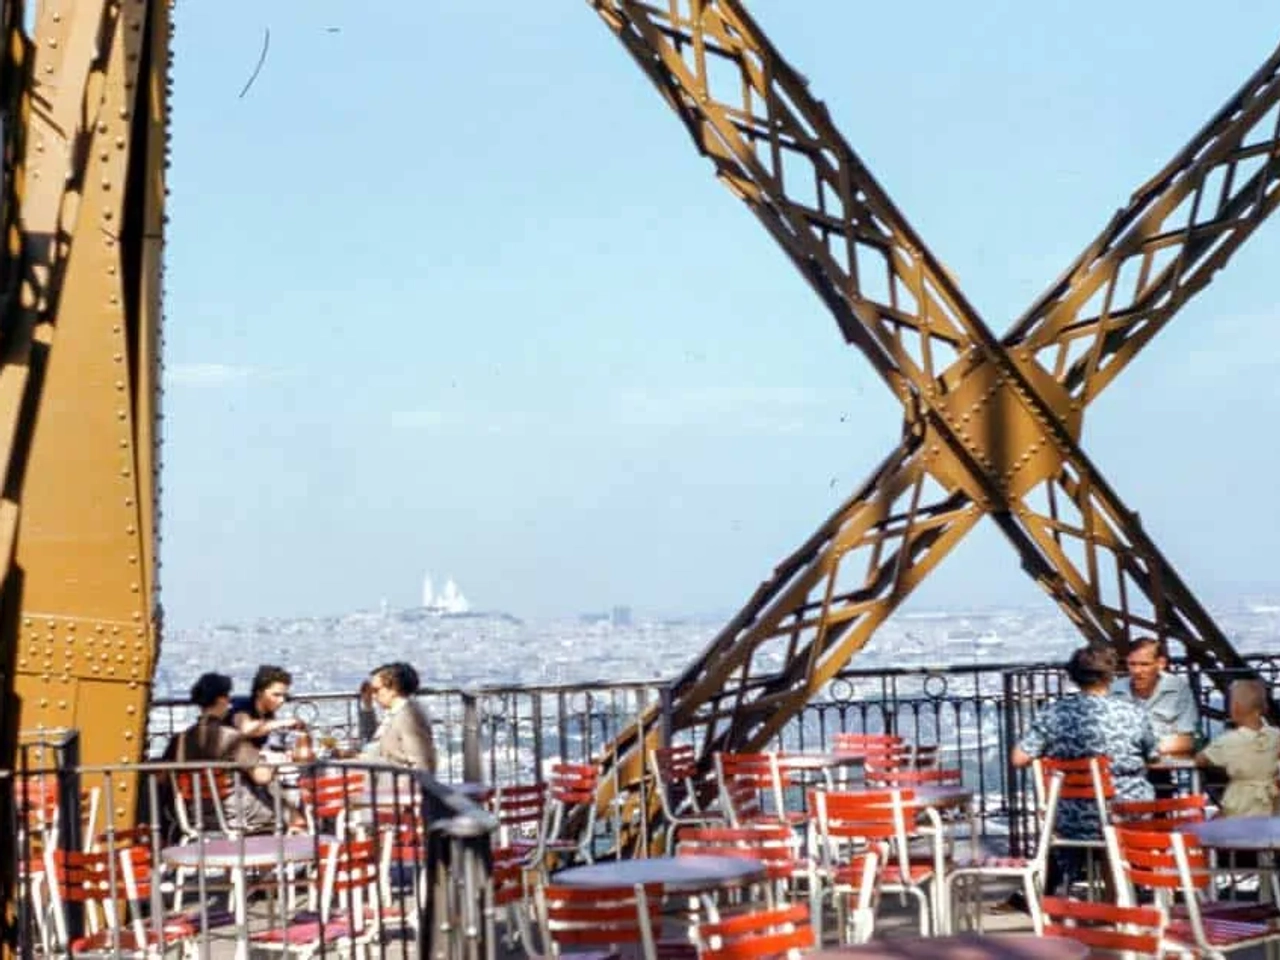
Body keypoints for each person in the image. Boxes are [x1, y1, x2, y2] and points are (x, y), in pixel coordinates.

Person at [1011, 644, 1157, 894]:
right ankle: (1121, 901)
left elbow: (1019, 758)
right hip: (1126, 812)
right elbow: (1152, 756)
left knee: (1087, 830)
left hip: (1071, 817)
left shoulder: (1053, 713)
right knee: (1119, 830)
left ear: (1074, 676)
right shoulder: (1133, 713)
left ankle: (1061, 894)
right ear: (1110, 676)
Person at [164, 672, 304, 834]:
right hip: (237, 815)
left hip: (194, 816)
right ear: (222, 700)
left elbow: (162, 776)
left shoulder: (179, 740)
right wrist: (270, 761)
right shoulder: (230, 737)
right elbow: (262, 776)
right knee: (290, 809)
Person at [1196, 679, 1280, 817]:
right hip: (1272, 802)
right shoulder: (1275, 735)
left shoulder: (1228, 742)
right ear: (1264, 707)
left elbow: (1201, 760)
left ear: (1235, 707)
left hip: (1240, 803)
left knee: (1214, 826)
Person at [1113, 637, 1199, 757]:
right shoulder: (1114, 690)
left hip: (1164, 765)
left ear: (1161, 664)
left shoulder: (1177, 688)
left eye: (1144, 664)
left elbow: (1187, 739)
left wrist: (1145, 748)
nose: (1137, 670)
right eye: (1132, 664)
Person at [357, 662, 438, 772]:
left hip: (398, 785)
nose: (373, 696)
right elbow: (376, 741)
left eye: (376, 690)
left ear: (393, 689)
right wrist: (367, 706)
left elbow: (421, 764)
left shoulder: (409, 716)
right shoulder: (396, 712)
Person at [229, 664, 304, 751]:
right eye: (276, 695)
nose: (282, 700)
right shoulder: (243, 705)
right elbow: (246, 729)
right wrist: (281, 723)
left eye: (285, 696)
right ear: (260, 692)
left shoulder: (268, 712)